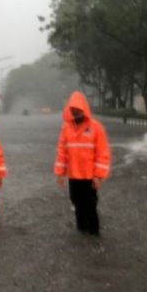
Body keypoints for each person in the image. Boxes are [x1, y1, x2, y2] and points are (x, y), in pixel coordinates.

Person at [54, 91, 111, 235]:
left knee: (90, 204)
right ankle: (81, 228)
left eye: (78, 109)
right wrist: (60, 174)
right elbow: (62, 152)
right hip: (73, 175)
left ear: (84, 109)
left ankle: (94, 231)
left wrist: (99, 176)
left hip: (89, 176)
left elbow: (103, 153)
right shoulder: (66, 128)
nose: (76, 112)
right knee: (76, 201)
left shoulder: (96, 127)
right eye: (73, 109)